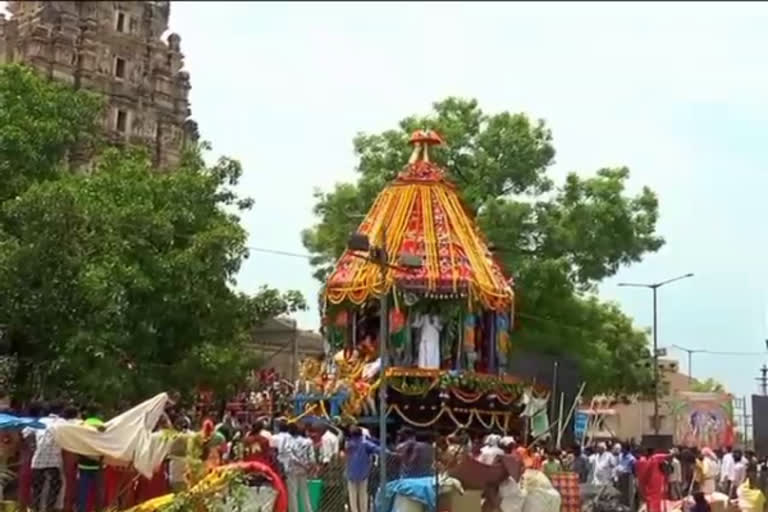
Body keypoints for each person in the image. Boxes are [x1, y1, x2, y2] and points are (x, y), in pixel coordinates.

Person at [23, 401, 64, 512]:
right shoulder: (62, 422)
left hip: (38, 460)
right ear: (61, 411)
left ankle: (35, 509)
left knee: (37, 487)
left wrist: (33, 446)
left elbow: (25, 433)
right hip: (54, 461)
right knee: (55, 486)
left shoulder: (40, 421)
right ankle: (49, 508)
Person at [76, 405, 105, 512]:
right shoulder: (102, 426)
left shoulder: (82, 425)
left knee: (83, 492)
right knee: (98, 492)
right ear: (98, 414)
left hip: (83, 463)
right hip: (97, 464)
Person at [344, 426, 379, 512]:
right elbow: (377, 449)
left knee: (352, 496)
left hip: (351, 473)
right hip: (363, 473)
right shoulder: (365, 443)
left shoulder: (348, 444)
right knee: (363, 494)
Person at [285, 422, 315, 512]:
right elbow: (312, 457)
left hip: (292, 470)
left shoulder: (289, 442)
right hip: (304, 470)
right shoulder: (308, 442)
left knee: (293, 494)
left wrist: (300, 463)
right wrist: (309, 467)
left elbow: (290, 456)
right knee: (304, 493)